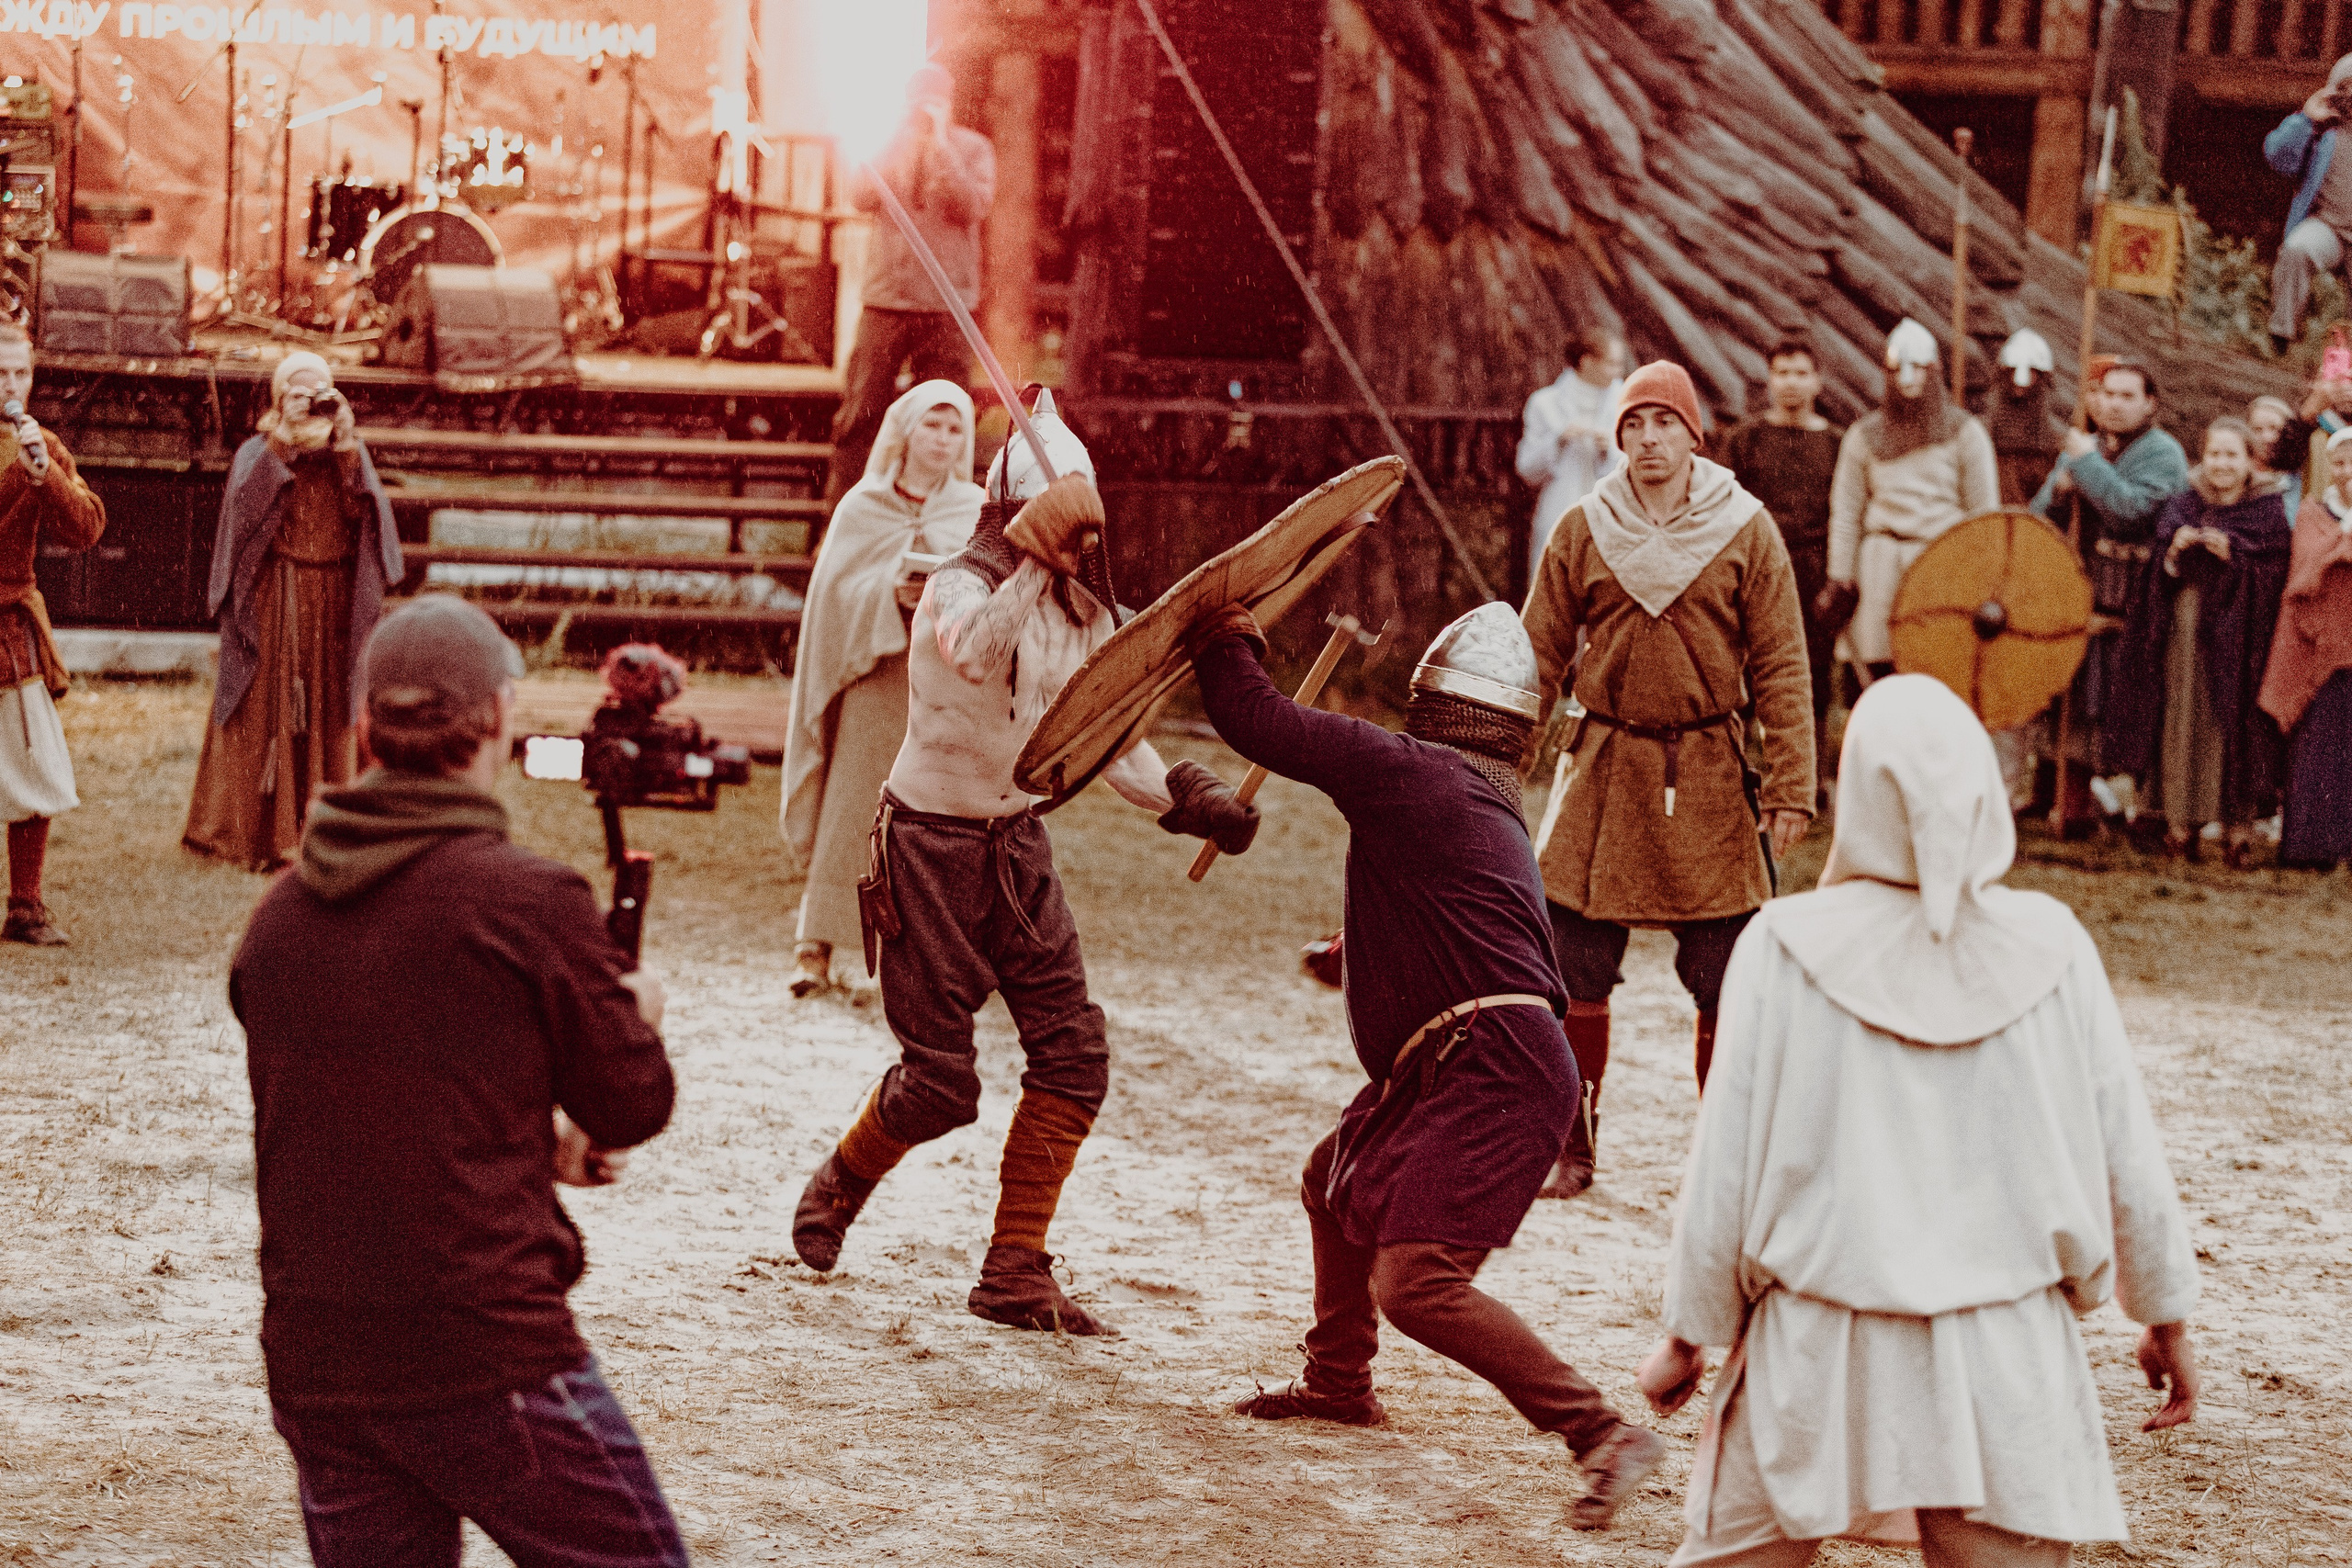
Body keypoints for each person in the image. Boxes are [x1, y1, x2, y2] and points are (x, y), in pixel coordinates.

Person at [1637, 674, 2201, 1568]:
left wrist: (1686, 1332)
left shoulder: (1782, 945)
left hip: (1813, 1348)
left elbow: (1725, 1165)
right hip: (2005, 1353)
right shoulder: (2051, 945)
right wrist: (2162, 1313)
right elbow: (2123, 1149)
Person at [788, 392, 1260, 1333]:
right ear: (1021, 518)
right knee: (940, 1085)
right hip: (927, 849)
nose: (1080, 542)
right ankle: (842, 1178)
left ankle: (1013, 1268)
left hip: (1017, 849)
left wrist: (1188, 797)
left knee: (1075, 1056)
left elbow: (1108, 738)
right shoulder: (959, 587)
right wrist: (1028, 563)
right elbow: (971, 655)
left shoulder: (1086, 615)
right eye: (1060, 521)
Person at [1194, 600, 1667, 1531]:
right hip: (1475, 1054)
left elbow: (1257, 720)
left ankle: (1603, 1434)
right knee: (1332, 1177)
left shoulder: (1408, 771)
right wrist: (1355, 951)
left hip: (1496, 1064)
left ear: (1429, 702)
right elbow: (1471, 929)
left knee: (1416, 1281)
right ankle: (1338, 1383)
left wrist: (1223, 634)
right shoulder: (1481, 804)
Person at [233, 596, 686, 1567]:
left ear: (365, 732)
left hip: (319, 1362)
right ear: (499, 721)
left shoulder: (276, 922)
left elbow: (360, 1104)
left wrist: (535, 1141)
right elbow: (631, 1103)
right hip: (483, 1355)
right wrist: (633, 1011)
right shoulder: (530, 899)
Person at [1521, 359, 1815, 1200]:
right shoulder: (1585, 526)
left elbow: (1783, 664)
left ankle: (1725, 1160)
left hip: (1711, 775)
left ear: (1695, 435)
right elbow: (1537, 653)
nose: (1649, 441)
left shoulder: (1745, 529)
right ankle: (1567, 1146)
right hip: (1604, 768)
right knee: (1571, 962)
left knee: (1727, 973)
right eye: (1634, 426)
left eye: (1665, 425)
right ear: (1618, 438)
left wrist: (1792, 783)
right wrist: (1498, 765)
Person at [783, 380, 982, 998]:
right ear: (907, 431)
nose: (943, 440)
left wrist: (942, 598)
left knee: (936, 815)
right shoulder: (862, 507)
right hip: (875, 670)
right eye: (933, 426)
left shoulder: (974, 510)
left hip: (942, 684)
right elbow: (834, 595)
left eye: (955, 429)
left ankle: (935, 956)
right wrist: (885, 595)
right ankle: (815, 943)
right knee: (855, 804)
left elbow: (990, 593)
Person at [185, 351, 401, 872]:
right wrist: (283, 445)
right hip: (276, 596)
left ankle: (329, 827)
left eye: (319, 390)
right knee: (267, 705)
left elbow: (367, 520)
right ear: (280, 398)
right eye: (298, 392)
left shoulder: (348, 449)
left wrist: (347, 448)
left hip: (335, 602)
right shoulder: (259, 449)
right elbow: (242, 516)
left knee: (331, 705)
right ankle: (261, 831)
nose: (310, 402)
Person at [2105, 418, 2292, 866]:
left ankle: (2237, 829)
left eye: (2232, 455)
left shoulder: (2266, 513)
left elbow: (2275, 577)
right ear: (2201, 458)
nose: (2222, 464)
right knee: (2180, 717)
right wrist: (2172, 555)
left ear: (2250, 462)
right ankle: (2177, 824)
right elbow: (2157, 578)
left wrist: (2238, 560)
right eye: (2214, 454)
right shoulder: (2181, 506)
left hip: (2241, 644)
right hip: (2184, 638)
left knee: (2235, 726)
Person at [824, 65, 994, 509]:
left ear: (950, 101)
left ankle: (938, 522)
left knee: (945, 420)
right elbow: (859, 196)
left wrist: (940, 143)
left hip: (948, 305)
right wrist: (892, 136)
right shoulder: (887, 145)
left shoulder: (972, 148)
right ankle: (844, 520)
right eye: (917, 100)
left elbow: (974, 206)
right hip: (887, 301)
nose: (924, 108)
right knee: (861, 414)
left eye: (934, 100)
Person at [2030, 361, 2189, 829]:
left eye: (2126, 396)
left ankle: (2151, 810)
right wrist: (2060, 492)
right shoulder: (2086, 446)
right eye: (2107, 395)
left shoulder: (2163, 455)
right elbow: (2042, 517)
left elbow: (2130, 511)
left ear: (2149, 403)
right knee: (2079, 700)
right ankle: (2075, 805)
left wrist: (2085, 467)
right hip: (2085, 588)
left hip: (2140, 597)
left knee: (2140, 699)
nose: (2114, 405)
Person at [0, 321, 106, 945]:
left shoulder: (44, 443)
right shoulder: (22, 449)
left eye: (20, 373)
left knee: (34, 760)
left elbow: (87, 527)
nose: (12, 386)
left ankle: (26, 906)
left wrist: (49, 477)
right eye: (0, 374)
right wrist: (22, 474)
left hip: (12, 624)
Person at [1819, 319, 2000, 679]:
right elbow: (1846, 513)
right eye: (1899, 367)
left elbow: (1983, 514)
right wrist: (1839, 578)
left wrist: (1983, 578)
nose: (1909, 377)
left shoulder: (1965, 433)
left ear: (1935, 370)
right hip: (1878, 564)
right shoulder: (1863, 436)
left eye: (1919, 367)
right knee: (1878, 671)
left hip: (1942, 562)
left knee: (1938, 669)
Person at [1718, 340, 1843, 786]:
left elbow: (1845, 513)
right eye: (1783, 373)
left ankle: (1810, 777)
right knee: (1745, 668)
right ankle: (1737, 769)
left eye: (1801, 373)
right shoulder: (1745, 440)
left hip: (1813, 572)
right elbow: (1724, 510)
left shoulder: (1836, 444)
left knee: (1813, 672)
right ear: (1770, 380)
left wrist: (1838, 581)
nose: (1791, 383)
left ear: (1817, 381)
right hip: (1754, 571)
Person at [2262, 427, 2352, 869]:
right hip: (2319, 647)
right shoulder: (2315, 512)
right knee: (2319, 748)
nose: (2349, 472)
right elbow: (2307, 570)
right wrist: (2345, 543)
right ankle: (2311, 847)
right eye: (2340, 462)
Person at [1516, 328, 1626, 585]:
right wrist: (1558, 442)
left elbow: (1639, 466)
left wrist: (1608, 449)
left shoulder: (1626, 401)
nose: (1619, 371)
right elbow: (1526, 469)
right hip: (1560, 511)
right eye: (1612, 363)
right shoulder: (1545, 403)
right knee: (1555, 589)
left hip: (1613, 515)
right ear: (1587, 362)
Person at [2266, 55, 2352, 353]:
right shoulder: (2323, 132)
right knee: (2296, 249)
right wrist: (2306, 118)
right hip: (2327, 225)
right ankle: (2283, 327)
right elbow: (2278, 157)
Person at [1989, 328, 2064, 506]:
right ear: (2003, 373)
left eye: (2031, 371)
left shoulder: (2058, 439)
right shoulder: (1981, 432)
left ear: (2042, 376)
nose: (2019, 382)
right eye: (2012, 370)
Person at [2248, 394, 2303, 516]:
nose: (2267, 438)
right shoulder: (2240, 475)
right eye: (2257, 430)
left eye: (2275, 429)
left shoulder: (2300, 477)